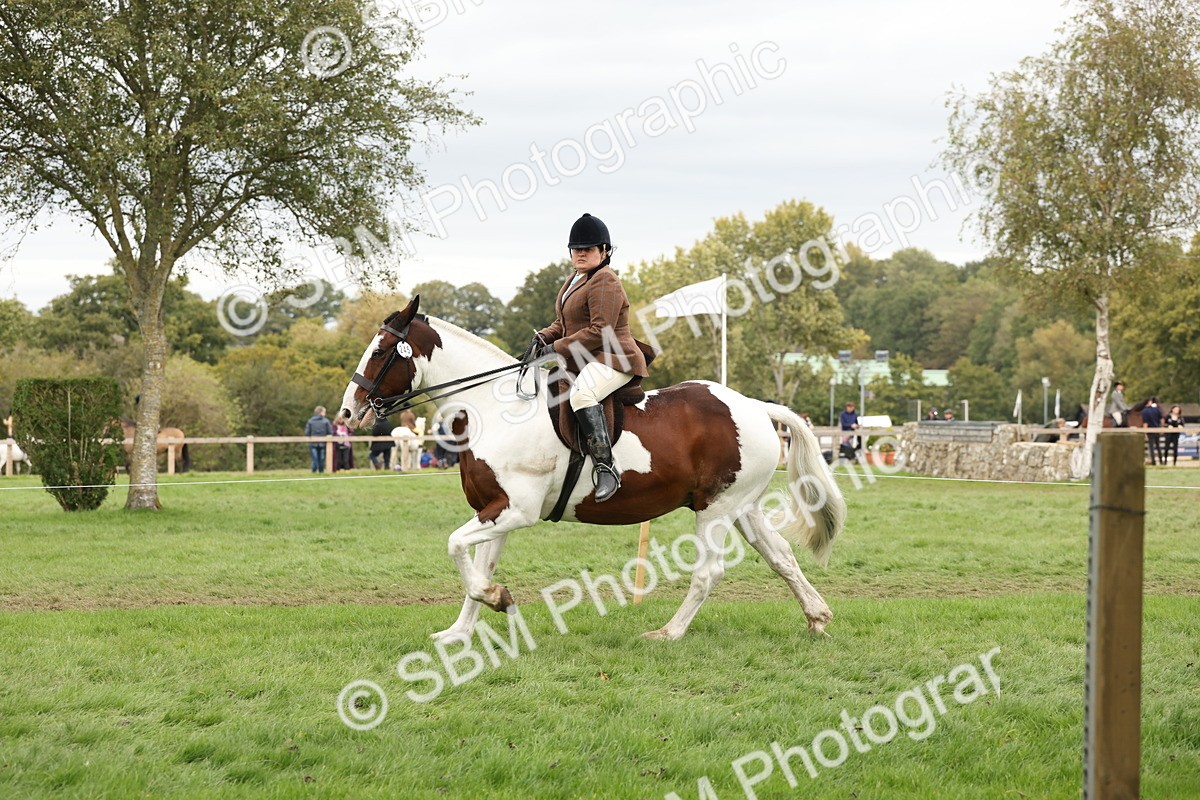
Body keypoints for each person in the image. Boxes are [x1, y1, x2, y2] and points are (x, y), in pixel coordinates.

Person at [525, 212, 649, 502]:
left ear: (604, 251)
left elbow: (599, 330)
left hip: (613, 357)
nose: (580, 253)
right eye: (576, 249)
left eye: (588, 249)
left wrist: (556, 349)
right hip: (586, 358)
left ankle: (607, 469)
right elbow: (566, 324)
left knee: (581, 395)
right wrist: (544, 336)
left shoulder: (605, 281)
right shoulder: (575, 279)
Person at [304, 406, 334, 473]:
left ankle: (314, 471)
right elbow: (330, 432)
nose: (325, 414)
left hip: (313, 443)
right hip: (322, 443)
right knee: (321, 458)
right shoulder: (326, 421)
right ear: (321, 413)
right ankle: (321, 471)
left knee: (315, 458)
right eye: (324, 412)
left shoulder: (310, 421)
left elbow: (307, 433)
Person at [1141, 396, 1163, 465]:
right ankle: (1161, 461)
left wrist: (1145, 433)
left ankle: (1153, 461)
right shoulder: (1156, 409)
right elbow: (1161, 419)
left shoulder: (1144, 411)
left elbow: (1145, 423)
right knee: (1158, 446)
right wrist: (1161, 428)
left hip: (1150, 430)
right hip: (1157, 429)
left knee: (1151, 446)